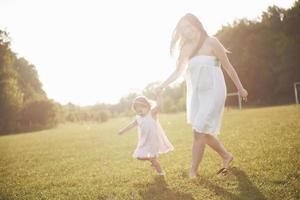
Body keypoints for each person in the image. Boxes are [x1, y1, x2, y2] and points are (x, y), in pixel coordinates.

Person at [156, 13, 248, 178]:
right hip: (198, 94)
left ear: (197, 24)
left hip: (215, 91)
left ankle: (193, 172)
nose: (187, 30)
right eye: (183, 28)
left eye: (189, 26)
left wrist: (241, 88)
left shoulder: (211, 42)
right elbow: (178, 72)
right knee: (202, 131)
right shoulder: (186, 49)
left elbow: (228, 67)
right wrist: (163, 85)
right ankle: (226, 155)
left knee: (198, 131)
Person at [118, 95, 174, 176]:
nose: (139, 110)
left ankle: (161, 172)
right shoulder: (138, 118)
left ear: (147, 106)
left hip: (153, 141)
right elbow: (131, 125)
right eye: (137, 109)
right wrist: (122, 131)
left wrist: (159, 94)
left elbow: (159, 105)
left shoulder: (151, 114)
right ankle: (152, 160)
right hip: (144, 141)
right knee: (138, 156)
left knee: (153, 159)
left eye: (141, 108)